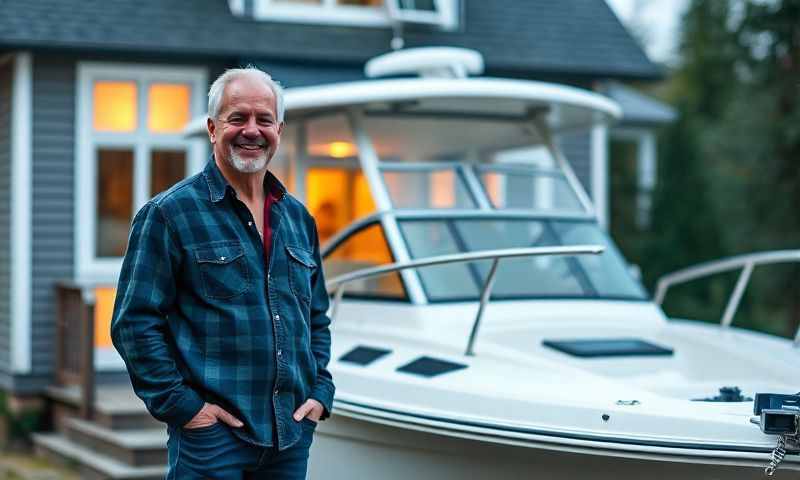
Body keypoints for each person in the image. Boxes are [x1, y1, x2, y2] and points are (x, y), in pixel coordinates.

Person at [110, 67, 334, 479]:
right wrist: (184, 408)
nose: (252, 130)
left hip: (289, 438)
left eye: (264, 119)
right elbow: (134, 323)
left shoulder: (299, 219)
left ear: (278, 129)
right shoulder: (169, 214)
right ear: (213, 128)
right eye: (238, 118)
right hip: (213, 443)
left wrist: (320, 391)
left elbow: (315, 317)